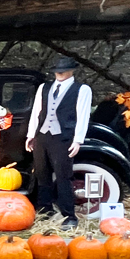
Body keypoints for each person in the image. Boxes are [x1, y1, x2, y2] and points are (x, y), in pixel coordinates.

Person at [26, 56, 93, 228]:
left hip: (63, 137)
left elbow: (83, 116)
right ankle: (44, 210)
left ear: (72, 70)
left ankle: (68, 215)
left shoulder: (82, 89)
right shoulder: (44, 87)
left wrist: (78, 140)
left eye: (63, 70)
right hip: (42, 136)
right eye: (57, 70)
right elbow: (37, 112)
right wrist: (31, 135)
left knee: (64, 176)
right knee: (42, 174)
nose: (60, 73)